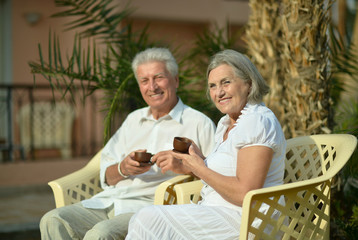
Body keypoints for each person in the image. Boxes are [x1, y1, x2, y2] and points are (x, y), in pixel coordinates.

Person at [40, 47, 216, 240]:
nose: (152, 87)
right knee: (52, 219)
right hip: (109, 202)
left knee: (101, 234)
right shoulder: (133, 120)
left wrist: (183, 166)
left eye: (159, 77)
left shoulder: (198, 123)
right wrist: (123, 168)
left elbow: (215, 175)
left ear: (175, 80)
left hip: (150, 209)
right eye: (144, 80)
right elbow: (105, 174)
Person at [126, 49, 287, 239]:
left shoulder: (257, 121)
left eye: (226, 82)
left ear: (249, 83)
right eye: (212, 86)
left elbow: (245, 193)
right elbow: (227, 171)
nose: (219, 92)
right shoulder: (227, 123)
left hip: (248, 221)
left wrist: (199, 167)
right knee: (147, 219)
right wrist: (198, 159)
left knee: (147, 219)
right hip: (217, 212)